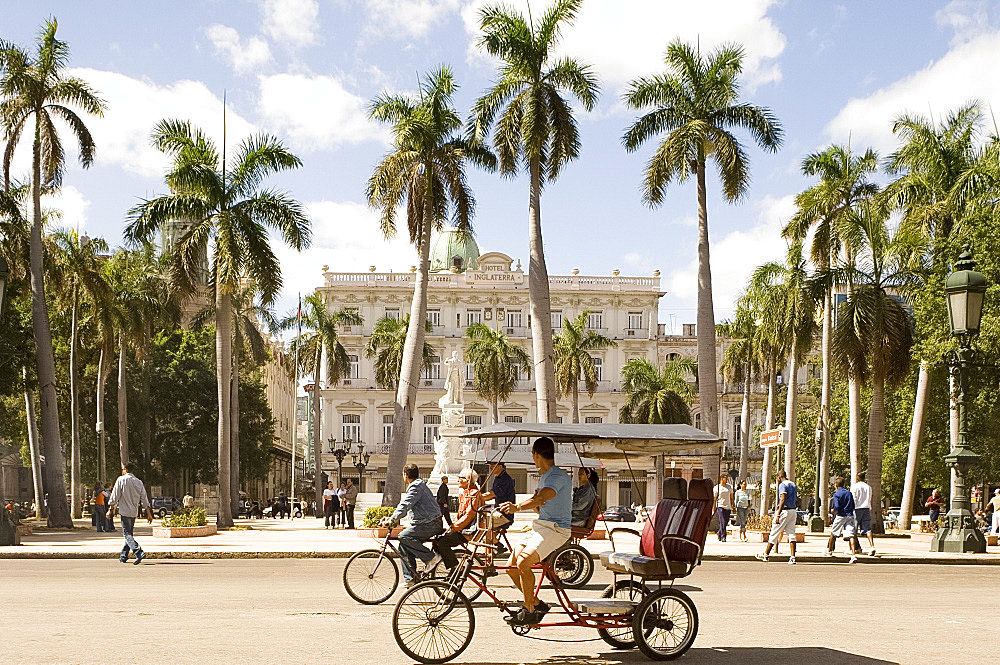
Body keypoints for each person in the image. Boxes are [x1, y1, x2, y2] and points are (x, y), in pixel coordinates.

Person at [498, 437, 571, 626]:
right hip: (541, 526)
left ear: (536, 455)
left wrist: (517, 507)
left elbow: (542, 498)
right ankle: (537, 604)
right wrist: (532, 503)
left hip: (557, 529)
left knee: (523, 563)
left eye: (533, 455)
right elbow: (538, 499)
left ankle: (528, 609)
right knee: (511, 566)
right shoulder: (546, 475)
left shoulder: (557, 476)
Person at [380, 464, 443, 587]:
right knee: (404, 545)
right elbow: (404, 506)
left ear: (405, 475)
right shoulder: (417, 485)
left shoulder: (416, 487)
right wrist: (391, 518)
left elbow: (405, 505)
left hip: (431, 523)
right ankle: (411, 579)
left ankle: (431, 558)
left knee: (404, 536)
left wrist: (392, 520)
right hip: (427, 523)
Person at [431, 468, 487, 570]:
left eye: (460, 478)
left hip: (469, 531)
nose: (457, 480)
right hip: (462, 529)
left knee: (442, 543)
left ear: (468, 480)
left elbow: (469, 516)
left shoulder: (473, 494)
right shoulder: (466, 492)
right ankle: (448, 564)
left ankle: (456, 568)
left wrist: (454, 527)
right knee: (436, 539)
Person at [106, 464, 153, 564]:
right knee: (129, 534)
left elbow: (115, 495)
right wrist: (148, 513)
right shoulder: (138, 482)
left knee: (127, 534)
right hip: (133, 512)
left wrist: (110, 509)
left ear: (126, 470)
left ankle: (138, 551)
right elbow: (144, 498)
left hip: (124, 511)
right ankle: (123, 556)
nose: (122, 471)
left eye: (123, 469)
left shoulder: (121, 480)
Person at [756, 469, 798, 564]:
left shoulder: (783, 485)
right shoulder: (793, 484)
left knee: (774, 532)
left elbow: (783, 499)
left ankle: (766, 554)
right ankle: (792, 557)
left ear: (779, 477)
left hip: (784, 511)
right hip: (793, 511)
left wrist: (778, 513)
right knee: (791, 533)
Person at [825, 477, 860, 563]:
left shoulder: (837, 494)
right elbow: (853, 504)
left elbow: (836, 506)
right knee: (851, 535)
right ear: (844, 484)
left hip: (841, 515)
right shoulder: (849, 493)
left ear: (836, 485)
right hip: (850, 515)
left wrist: (833, 510)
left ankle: (829, 551)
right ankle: (853, 554)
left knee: (834, 532)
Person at [489, 462, 515, 555]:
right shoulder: (498, 478)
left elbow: (492, 494)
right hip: (498, 511)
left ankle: (499, 546)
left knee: (482, 525)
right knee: (486, 536)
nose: (490, 468)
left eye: (493, 466)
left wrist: (477, 497)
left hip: (504, 514)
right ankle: (489, 564)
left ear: (500, 467)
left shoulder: (504, 479)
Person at [851, 472, 876, 556]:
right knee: (867, 529)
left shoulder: (855, 487)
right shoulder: (868, 487)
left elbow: (853, 498)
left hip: (857, 508)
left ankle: (854, 549)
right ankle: (872, 546)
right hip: (866, 508)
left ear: (857, 478)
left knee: (853, 530)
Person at [713, 475, 734, 542]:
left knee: (726, 521)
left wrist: (733, 505)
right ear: (721, 479)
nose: (727, 479)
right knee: (722, 521)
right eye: (725, 478)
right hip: (720, 506)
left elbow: (731, 497)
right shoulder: (717, 488)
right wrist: (713, 508)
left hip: (728, 506)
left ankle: (719, 532)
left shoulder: (729, 487)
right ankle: (723, 536)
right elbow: (714, 499)